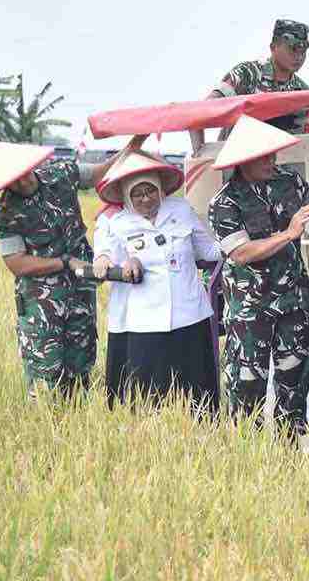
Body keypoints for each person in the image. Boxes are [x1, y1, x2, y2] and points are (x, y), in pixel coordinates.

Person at [206, 115, 309, 437]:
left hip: (293, 303)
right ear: (243, 161)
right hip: (250, 311)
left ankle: (290, 456)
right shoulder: (224, 203)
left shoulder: (289, 182)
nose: (272, 160)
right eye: (264, 156)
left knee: (294, 386)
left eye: (273, 153)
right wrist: (289, 233)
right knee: (247, 388)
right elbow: (240, 252)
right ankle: (247, 459)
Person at [0, 139, 140, 398]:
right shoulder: (4, 214)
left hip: (80, 291)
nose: (22, 183)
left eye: (23, 175)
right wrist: (65, 263)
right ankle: (45, 429)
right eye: (13, 181)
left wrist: (133, 146)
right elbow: (17, 263)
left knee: (81, 365)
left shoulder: (61, 174)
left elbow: (101, 172)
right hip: (41, 301)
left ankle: (76, 425)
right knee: (47, 372)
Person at [93, 153, 222, 413]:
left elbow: (207, 250)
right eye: (137, 194)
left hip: (188, 315)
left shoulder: (181, 210)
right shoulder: (114, 224)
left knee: (199, 398)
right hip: (143, 322)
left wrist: (240, 246)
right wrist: (123, 265)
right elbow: (103, 263)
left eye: (150, 191)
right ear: (127, 196)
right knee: (147, 400)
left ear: (160, 189)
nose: (145, 198)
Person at [189, 19, 309, 151]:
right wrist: (200, 154)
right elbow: (201, 112)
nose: (299, 57)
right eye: (293, 49)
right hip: (238, 163)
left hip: (284, 165)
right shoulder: (247, 74)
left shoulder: (303, 92)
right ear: (273, 47)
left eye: (303, 51)